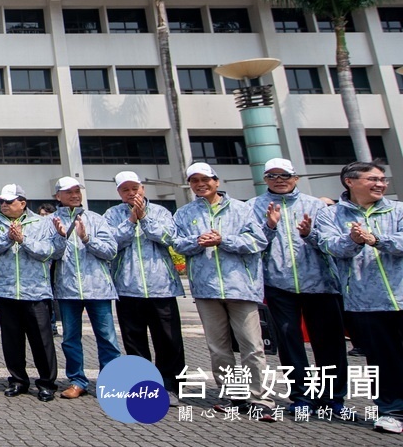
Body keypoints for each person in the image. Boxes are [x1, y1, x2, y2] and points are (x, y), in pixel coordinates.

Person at [172, 162, 274, 415]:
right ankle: (233, 395)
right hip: (206, 289)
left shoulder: (242, 209)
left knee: (252, 345)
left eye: (205, 179)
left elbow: (258, 240)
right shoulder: (184, 213)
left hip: (240, 287)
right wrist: (198, 241)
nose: (200, 184)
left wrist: (223, 240)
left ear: (217, 181)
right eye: (194, 180)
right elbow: (176, 243)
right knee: (218, 347)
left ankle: (260, 398)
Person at [251, 158, 347, 414]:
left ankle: (333, 398)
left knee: (329, 343)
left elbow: (332, 243)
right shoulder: (253, 206)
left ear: (296, 178)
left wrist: (309, 234)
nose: (278, 179)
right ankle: (302, 397)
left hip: (321, 284)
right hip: (279, 284)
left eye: (284, 175)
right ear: (265, 179)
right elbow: (253, 244)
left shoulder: (317, 206)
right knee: (289, 342)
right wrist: (269, 226)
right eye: (272, 175)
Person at [315, 160, 403, 434]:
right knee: (382, 360)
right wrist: (353, 240)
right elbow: (329, 246)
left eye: (382, 179)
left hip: (401, 295)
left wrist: (376, 239)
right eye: (372, 179)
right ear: (349, 182)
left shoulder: (398, 210)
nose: (380, 184)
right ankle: (391, 411)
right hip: (364, 303)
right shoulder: (331, 215)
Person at [103, 171, 185, 395]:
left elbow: (171, 237)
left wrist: (145, 219)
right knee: (134, 340)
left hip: (162, 287)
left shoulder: (160, 211)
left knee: (168, 339)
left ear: (142, 188)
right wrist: (131, 221)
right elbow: (110, 244)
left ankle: (171, 385)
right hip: (128, 287)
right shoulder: (112, 214)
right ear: (119, 192)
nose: (131, 193)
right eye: (125, 189)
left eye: (135, 188)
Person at [0, 184, 61, 402]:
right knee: (12, 340)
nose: (4, 206)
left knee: (41, 340)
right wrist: (8, 238)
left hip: (35, 291)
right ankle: (18, 380)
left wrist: (23, 240)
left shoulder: (42, 223)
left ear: (23, 203)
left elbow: (48, 253)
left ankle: (46, 383)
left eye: (9, 202)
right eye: (2, 202)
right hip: (6, 290)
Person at [48, 177, 121, 399]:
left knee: (107, 337)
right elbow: (47, 254)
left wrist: (87, 239)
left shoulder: (95, 219)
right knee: (70, 338)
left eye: (77, 191)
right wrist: (60, 238)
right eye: (68, 192)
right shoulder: (50, 221)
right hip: (68, 289)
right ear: (57, 196)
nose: (74, 195)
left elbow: (110, 251)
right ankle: (77, 380)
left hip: (97, 288)